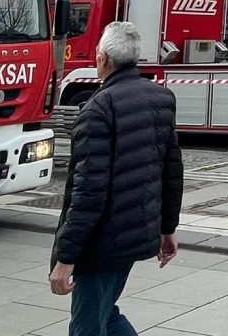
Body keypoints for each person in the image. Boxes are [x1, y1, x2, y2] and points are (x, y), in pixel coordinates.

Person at [50, 21, 183, 336]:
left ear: (102, 59)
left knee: (87, 327)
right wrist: (167, 229)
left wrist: (66, 258)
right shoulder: (160, 98)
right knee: (105, 315)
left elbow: (88, 192)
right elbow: (172, 170)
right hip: (136, 234)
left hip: (102, 243)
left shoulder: (97, 110)